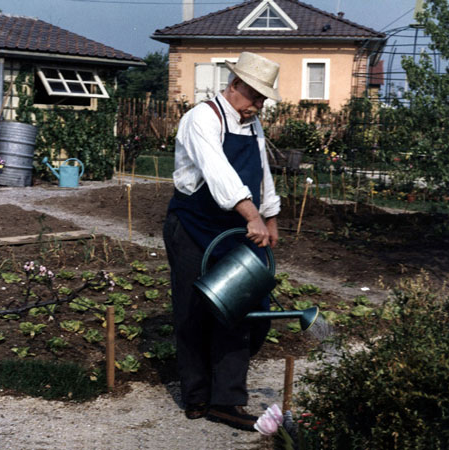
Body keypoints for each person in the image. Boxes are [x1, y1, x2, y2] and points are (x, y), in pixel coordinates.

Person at [162, 52, 281, 431]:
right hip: (194, 225)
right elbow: (219, 173)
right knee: (193, 310)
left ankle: (227, 399)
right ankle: (197, 396)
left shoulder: (252, 124)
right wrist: (253, 216)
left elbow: (262, 173)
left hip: (235, 228)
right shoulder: (202, 118)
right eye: (254, 96)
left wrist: (271, 216)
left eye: (263, 99)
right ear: (234, 86)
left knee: (245, 308)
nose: (258, 105)